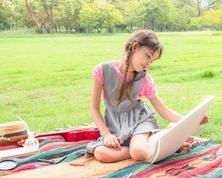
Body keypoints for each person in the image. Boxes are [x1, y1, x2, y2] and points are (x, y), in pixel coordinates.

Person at [86, 30, 208, 163]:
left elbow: (163, 110)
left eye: (152, 60)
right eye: (148, 56)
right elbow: (94, 108)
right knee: (101, 153)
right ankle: (160, 144)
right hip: (115, 126)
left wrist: (192, 120)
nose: (149, 63)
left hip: (140, 121)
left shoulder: (144, 79)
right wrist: (106, 134)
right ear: (135, 47)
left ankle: (148, 149)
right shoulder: (102, 70)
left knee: (138, 151)